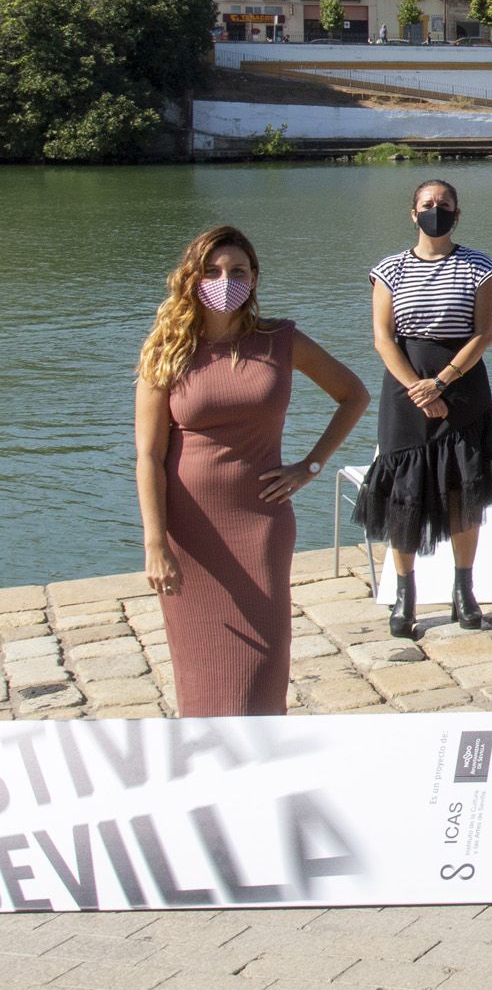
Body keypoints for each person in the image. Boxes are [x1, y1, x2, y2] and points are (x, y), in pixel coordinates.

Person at [136, 226, 370, 715]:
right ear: (191, 278)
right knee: (199, 670)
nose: (225, 279)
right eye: (213, 271)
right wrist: (155, 543)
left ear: (254, 277)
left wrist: (309, 466)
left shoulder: (280, 341)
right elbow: (149, 456)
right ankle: (209, 773)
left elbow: (354, 394)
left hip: (260, 522)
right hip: (188, 530)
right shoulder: (166, 349)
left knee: (263, 668)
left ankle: (264, 768)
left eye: (237, 271)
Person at [361, 180, 492, 639]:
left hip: (462, 387)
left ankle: (463, 592)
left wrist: (441, 383)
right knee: (404, 493)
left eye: (444, 205)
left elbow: (483, 335)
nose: (436, 211)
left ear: (457, 213)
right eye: (428, 205)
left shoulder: (481, 268)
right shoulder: (387, 269)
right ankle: (404, 596)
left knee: (462, 490)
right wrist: (417, 387)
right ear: (413, 213)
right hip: (404, 391)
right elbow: (383, 338)